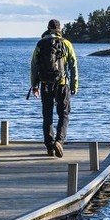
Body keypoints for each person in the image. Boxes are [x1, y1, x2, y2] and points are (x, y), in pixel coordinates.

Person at [29, 18, 78, 157]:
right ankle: (59, 141)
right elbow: (73, 65)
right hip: (62, 84)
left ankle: (50, 147)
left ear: (47, 28)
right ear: (59, 29)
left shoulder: (40, 44)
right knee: (63, 114)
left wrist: (34, 86)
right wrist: (74, 85)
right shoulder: (66, 43)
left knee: (47, 115)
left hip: (45, 84)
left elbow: (33, 66)